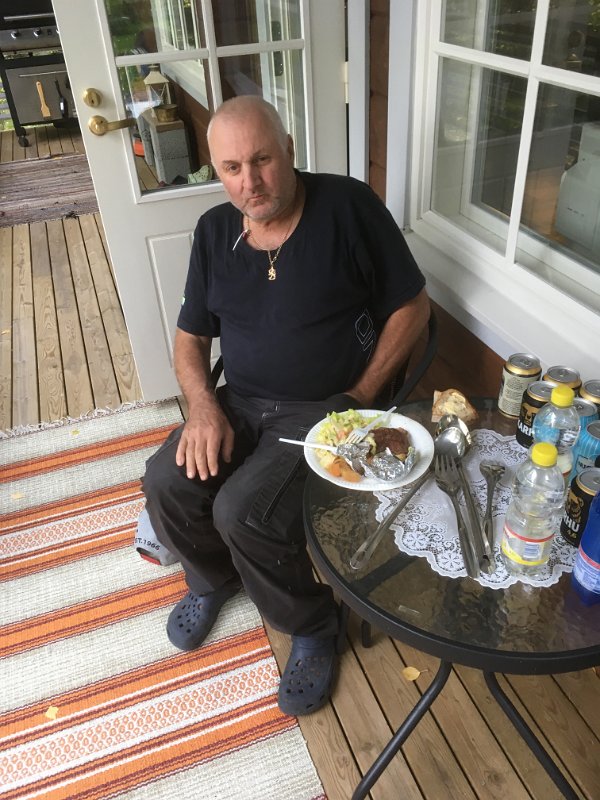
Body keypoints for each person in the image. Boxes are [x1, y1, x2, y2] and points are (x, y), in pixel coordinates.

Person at [141, 95, 430, 717]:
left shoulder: (349, 208)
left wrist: (360, 398)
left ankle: (313, 623)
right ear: (217, 172)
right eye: (231, 168)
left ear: (289, 150)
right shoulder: (214, 232)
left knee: (241, 510)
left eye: (262, 160)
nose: (250, 182)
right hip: (239, 401)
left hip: (325, 412)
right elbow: (191, 337)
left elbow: (413, 307)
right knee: (165, 481)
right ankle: (214, 577)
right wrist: (202, 407)